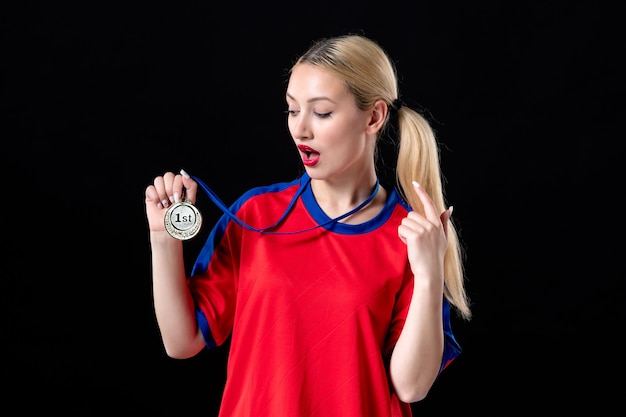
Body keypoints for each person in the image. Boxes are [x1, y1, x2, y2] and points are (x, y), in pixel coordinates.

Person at [144, 33, 471, 417]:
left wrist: (430, 273)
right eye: (292, 110)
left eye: (322, 112)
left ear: (374, 116)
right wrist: (162, 238)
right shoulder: (255, 214)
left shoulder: (413, 236)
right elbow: (182, 342)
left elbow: (411, 386)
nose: (300, 130)